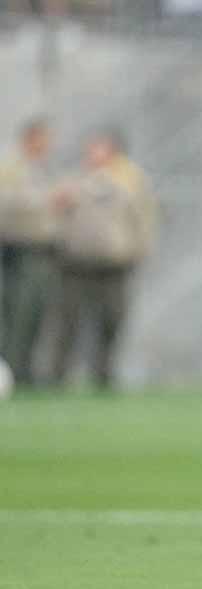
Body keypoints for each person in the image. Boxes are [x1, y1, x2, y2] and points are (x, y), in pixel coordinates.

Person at [49, 128, 157, 390]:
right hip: (77, 262)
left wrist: (138, 250)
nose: (95, 154)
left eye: (101, 148)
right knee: (69, 320)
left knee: (112, 319)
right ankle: (57, 375)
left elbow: (143, 219)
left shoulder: (130, 181)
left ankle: (104, 375)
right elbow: (54, 214)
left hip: (114, 263)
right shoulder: (74, 180)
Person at [0, 117, 57, 387]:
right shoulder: (11, 168)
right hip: (18, 250)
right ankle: (11, 371)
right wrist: (46, 200)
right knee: (17, 314)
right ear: (30, 139)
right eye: (43, 138)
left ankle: (24, 371)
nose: (47, 144)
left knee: (35, 314)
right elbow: (7, 202)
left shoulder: (43, 168)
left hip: (44, 251)